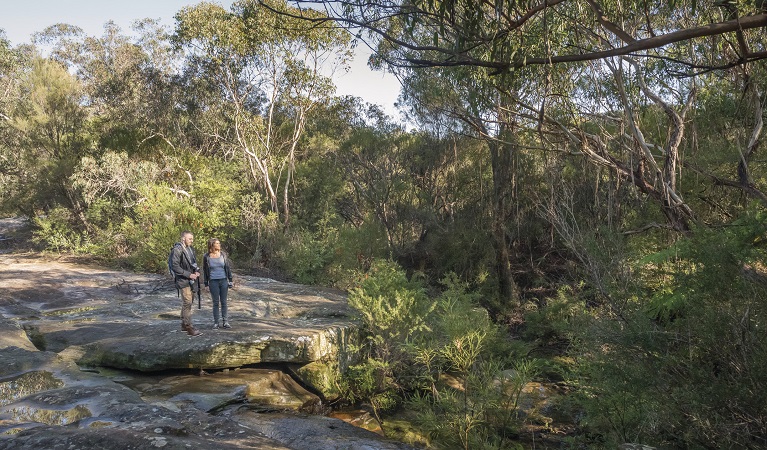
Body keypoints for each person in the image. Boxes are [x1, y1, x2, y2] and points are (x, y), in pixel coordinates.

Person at [171, 230, 203, 336]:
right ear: (183, 238)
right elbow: (175, 266)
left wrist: (197, 271)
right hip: (183, 280)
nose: (192, 241)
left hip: (191, 280)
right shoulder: (177, 249)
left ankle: (184, 324)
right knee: (187, 302)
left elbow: (193, 262)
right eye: (190, 239)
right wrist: (189, 274)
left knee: (189, 302)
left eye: (192, 239)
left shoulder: (190, 249)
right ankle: (189, 327)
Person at [203, 237, 234, 329]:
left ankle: (225, 322)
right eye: (217, 243)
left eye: (219, 243)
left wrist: (230, 280)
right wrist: (206, 284)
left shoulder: (223, 254)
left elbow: (227, 267)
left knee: (224, 302)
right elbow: (205, 271)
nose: (219, 245)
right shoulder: (206, 256)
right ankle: (216, 322)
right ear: (212, 245)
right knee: (215, 302)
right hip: (213, 281)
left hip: (223, 280)